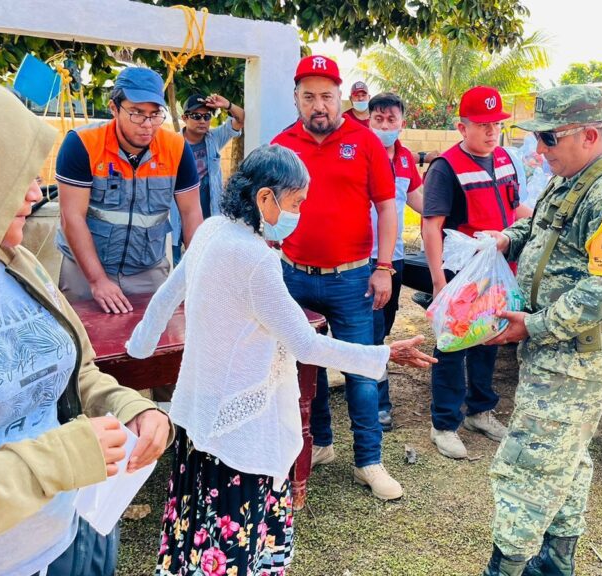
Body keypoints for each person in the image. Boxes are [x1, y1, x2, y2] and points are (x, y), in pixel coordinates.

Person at [0, 69, 171, 576]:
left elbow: (77, 372)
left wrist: (125, 406)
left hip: (67, 538)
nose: (34, 194)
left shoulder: (16, 263)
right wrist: (55, 462)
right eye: (12, 175)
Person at [126, 145, 435, 575]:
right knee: (234, 547)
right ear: (264, 198)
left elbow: (166, 295)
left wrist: (139, 347)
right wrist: (384, 353)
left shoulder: (213, 230)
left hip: (200, 415)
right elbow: (307, 346)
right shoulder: (256, 259)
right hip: (239, 431)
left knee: (198, 535)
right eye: (295, 203)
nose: (299, 214)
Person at [481, 85, 602, 576]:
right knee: (567, 458)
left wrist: (533, 326)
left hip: (575, 356)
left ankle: (507, 567)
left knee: (529, 464)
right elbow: (540, 231)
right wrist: (506, 239)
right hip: (553, 348)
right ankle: (555, 561)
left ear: (589, 135)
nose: (540, 148)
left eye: (549, 138)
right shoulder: (570, 178)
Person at [271, 55, 402, 500]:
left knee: (361, 371)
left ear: (339, 97)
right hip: (294, 278)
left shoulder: (364, 142)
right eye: (308, 96)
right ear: (296, 99)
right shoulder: (281, 145)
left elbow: (387, 207)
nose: (318, 105)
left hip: (353, 280)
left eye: (326, 96)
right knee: (304, 368)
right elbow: (266, 207)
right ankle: (320, 443)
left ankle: (369, 461)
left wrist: (384, 267)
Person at [421, 85, 522, 460]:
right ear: (462, 127)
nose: (492, 131)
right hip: (461, 272)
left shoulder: (505, 159)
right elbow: (431, 226)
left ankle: (480, 411)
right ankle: (444, 424)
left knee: (489, 338)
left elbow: (516, 209)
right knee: (452, 344)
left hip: (496, 271)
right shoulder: (446, 168)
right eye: (482, 124)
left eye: (496, 123)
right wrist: (439, 283)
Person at [55, 66, 203, 314]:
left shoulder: (176, 148)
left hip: (148, 268)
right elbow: (71, 217)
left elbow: (191, 214)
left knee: (157, 332)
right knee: (83, 333)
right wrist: (97, 280)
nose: (147, 125)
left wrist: (198, 273)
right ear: (114, 108)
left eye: (155, 115)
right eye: (136, 113)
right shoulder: (82, 144)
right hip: (84, 270)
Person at [368, 92, 425, 431]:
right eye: (379, 119)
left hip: (395, 258)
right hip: (363, 258)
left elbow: (423, 203)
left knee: (385, 326)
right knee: (373, 331)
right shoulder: (360, 152)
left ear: (402, 122)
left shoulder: (404, 159)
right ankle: (379, 404)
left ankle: (361, 372)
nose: (385, 125)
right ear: (369, 121)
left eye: (391, 119)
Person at [171, 92, 245, 264]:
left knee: (207, 261)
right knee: (176, 262)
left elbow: (241, 119)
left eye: (206, 116)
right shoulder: (173, 143)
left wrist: (226, 104)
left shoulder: (214, 138)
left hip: (209, 210)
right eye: (196, 116)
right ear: (184, 118)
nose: (202, 121)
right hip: (177, 212)